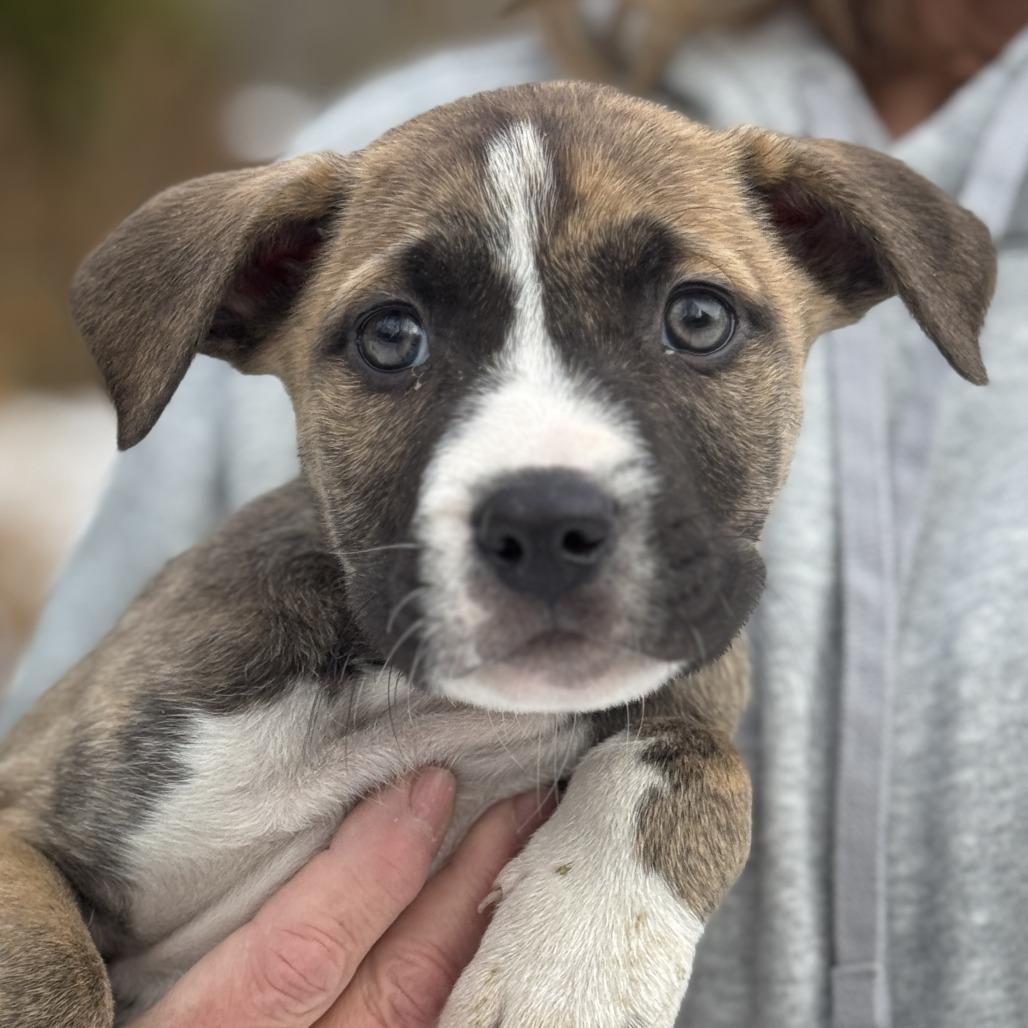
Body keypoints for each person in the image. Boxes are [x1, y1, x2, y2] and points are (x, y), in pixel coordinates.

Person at [4, 1, 1028, 1025]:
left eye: (695, 317)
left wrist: (687, 805)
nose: (544, 488)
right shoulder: (204, 659)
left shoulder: (670, 721)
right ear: (251, 296)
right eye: (390, 337)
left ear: (837, 256)